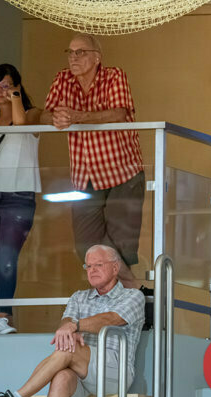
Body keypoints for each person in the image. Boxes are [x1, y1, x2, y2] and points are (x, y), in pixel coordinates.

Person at [0, 245, 144, 397]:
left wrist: (75, 326)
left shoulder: (133, 296)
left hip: (115, 371)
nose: (92, 270)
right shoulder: (79, 297)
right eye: (88, 266)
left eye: (98, 265)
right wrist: (68, 327)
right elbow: (66, 322)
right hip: (82, 374)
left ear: (115, 268)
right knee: (62, 377)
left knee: (69, 349)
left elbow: (111, 319)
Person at [41, 33, 145, 288]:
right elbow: (44, 115)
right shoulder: (63, 79)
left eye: (81, 52)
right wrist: (56, 119)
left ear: (97, 58)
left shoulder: (114, 76)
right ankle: (135, 291)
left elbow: (119, 113)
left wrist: (77, 116)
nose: (73, 58)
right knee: (86, 246)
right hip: (84, 175)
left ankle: (123, 299)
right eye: (70, 52)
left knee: (120, 245)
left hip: (122, 172)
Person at [0, 63, 42, 334]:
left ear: (17, 86)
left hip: (18, 196)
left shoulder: (32, 114)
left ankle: (3, 316)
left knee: (6, 256)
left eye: (6, 85)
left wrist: (14, 98)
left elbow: (23, 125)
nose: (0, 90)